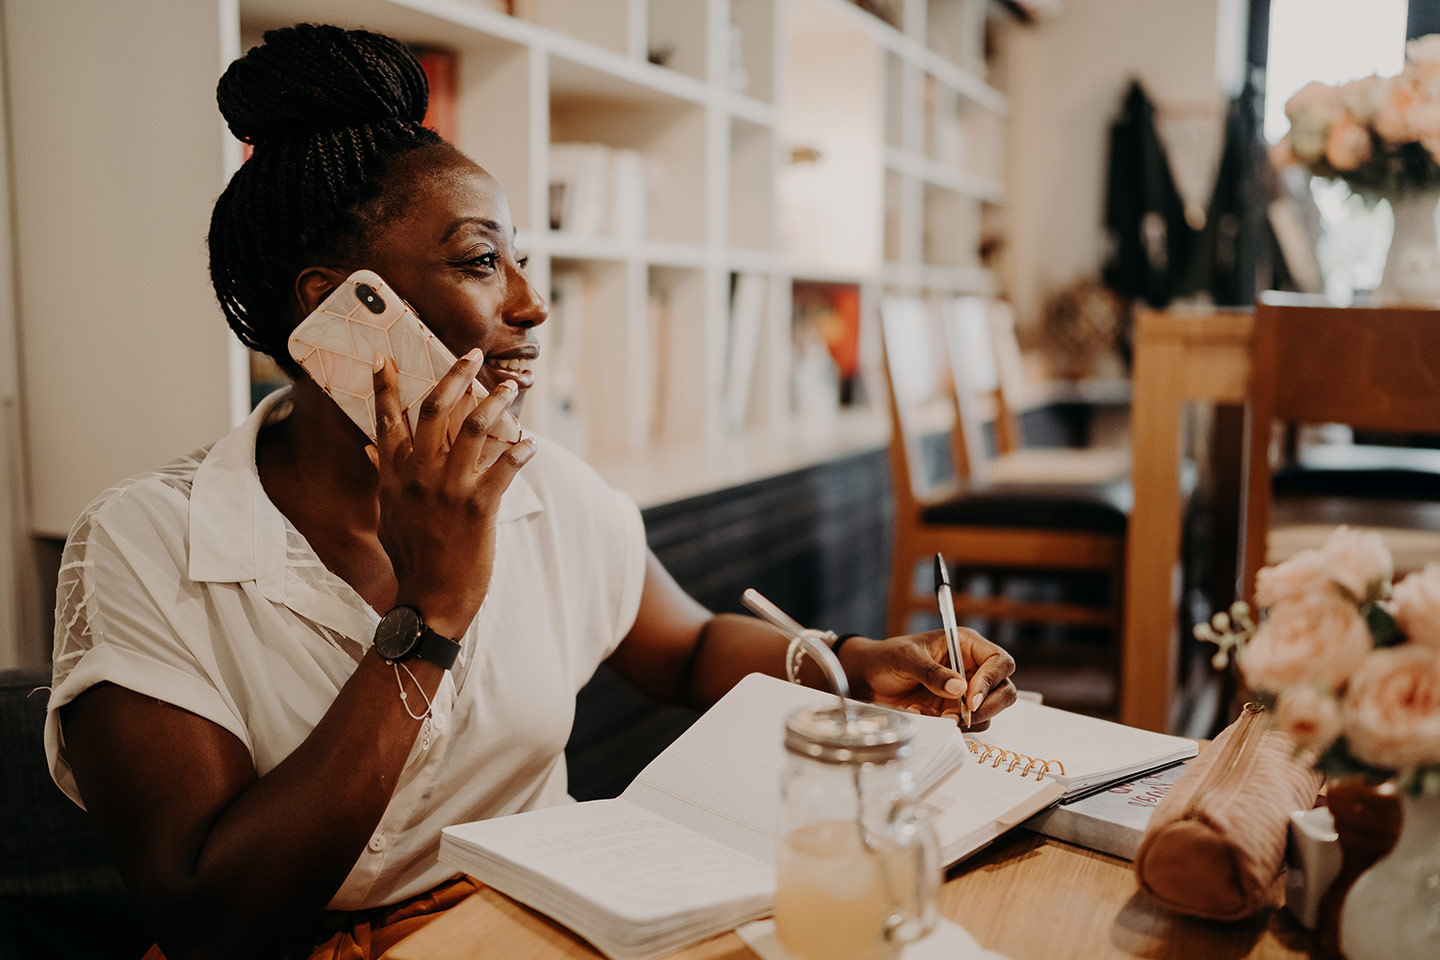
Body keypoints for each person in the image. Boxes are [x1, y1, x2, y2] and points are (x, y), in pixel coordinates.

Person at [44, 24, 1018, 960]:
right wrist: (430, 615)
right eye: (481, 261)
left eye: (523, 259)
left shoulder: (542, 484)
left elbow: (686, 649)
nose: (530, 302)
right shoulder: (146, 541)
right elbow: (213, 916)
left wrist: (854, 661)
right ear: (334, 301)